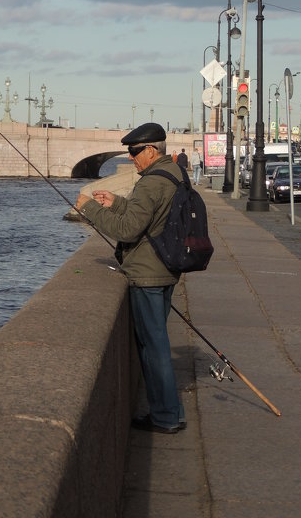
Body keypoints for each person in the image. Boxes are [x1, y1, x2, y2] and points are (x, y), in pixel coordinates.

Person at [75, 122, 187, 434]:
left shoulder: (151, 182)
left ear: (151, 151)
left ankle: (165, 417)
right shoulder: (173, 173)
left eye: (135, 152)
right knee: (159, 343)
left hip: (148, 274)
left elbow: (128, 230)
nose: (131, 157)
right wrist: (117, 202)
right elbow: (151, 215)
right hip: (166, 268)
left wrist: (92, 211)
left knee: (154, 348)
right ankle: (172, 412)